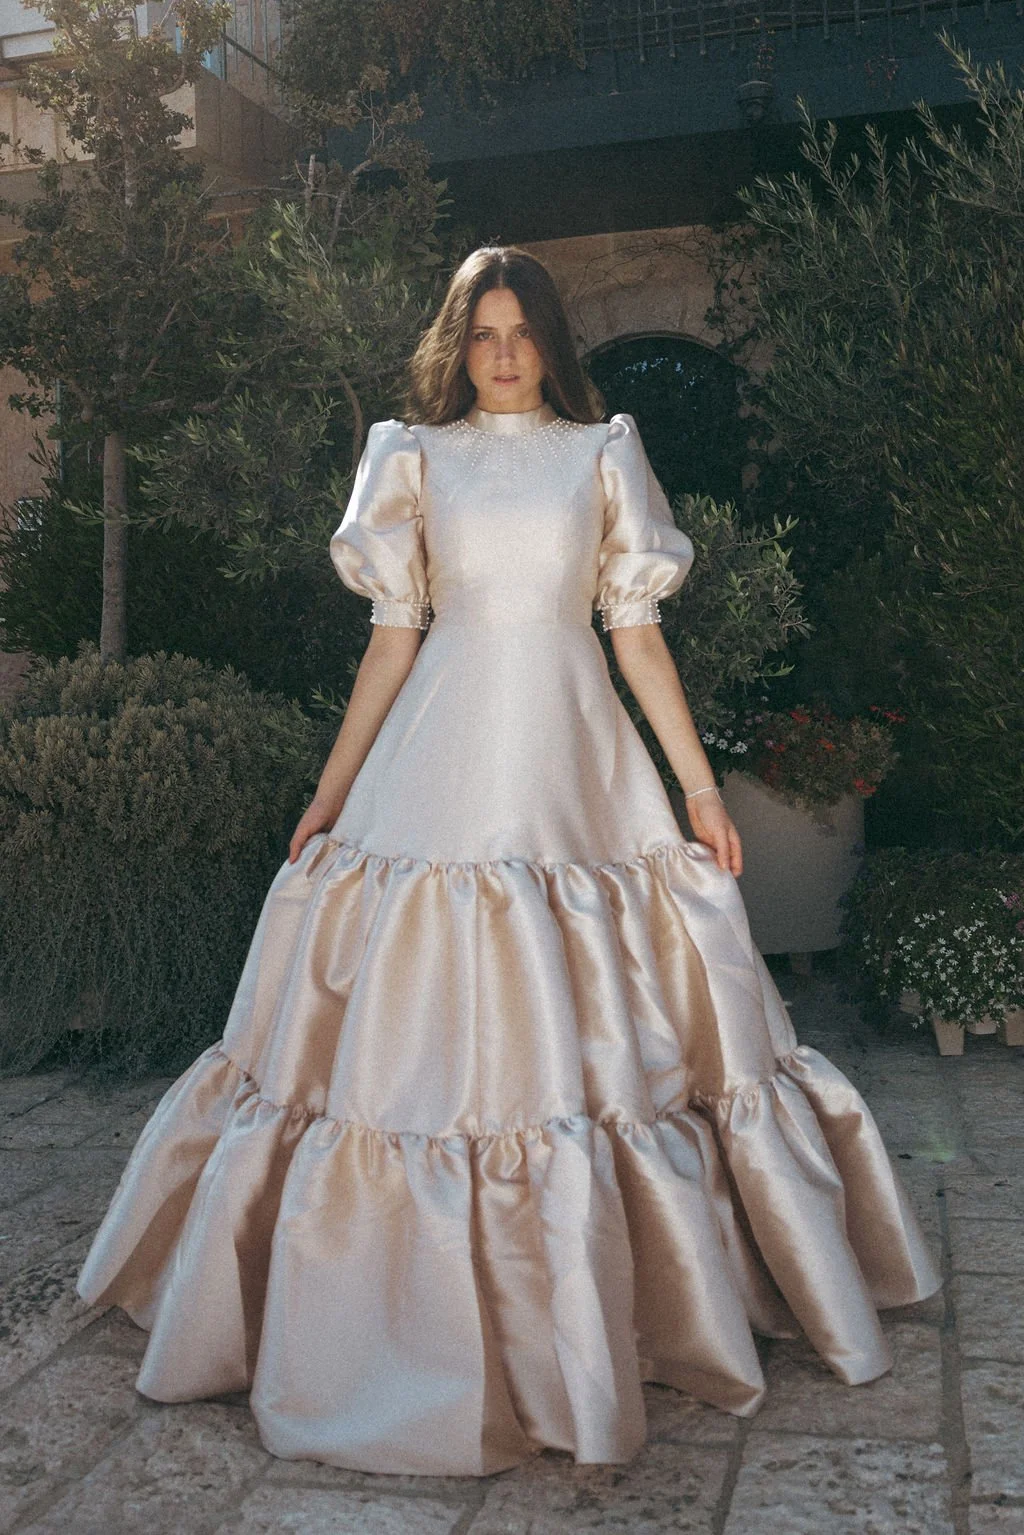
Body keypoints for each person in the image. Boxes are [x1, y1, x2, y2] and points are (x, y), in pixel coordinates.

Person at [77, 245, 941, 1478]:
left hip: (575, 762)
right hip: (439, 753)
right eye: (479, 332)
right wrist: (326, 799)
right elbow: (390, 644)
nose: (499, 353)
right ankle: (385, 1327)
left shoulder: (602, 453)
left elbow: (634, 639)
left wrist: (697, 790)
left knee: (611, 1022)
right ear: (456, 342)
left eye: (520, 331)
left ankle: (632, 1309)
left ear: (550, 342)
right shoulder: (409, 457)